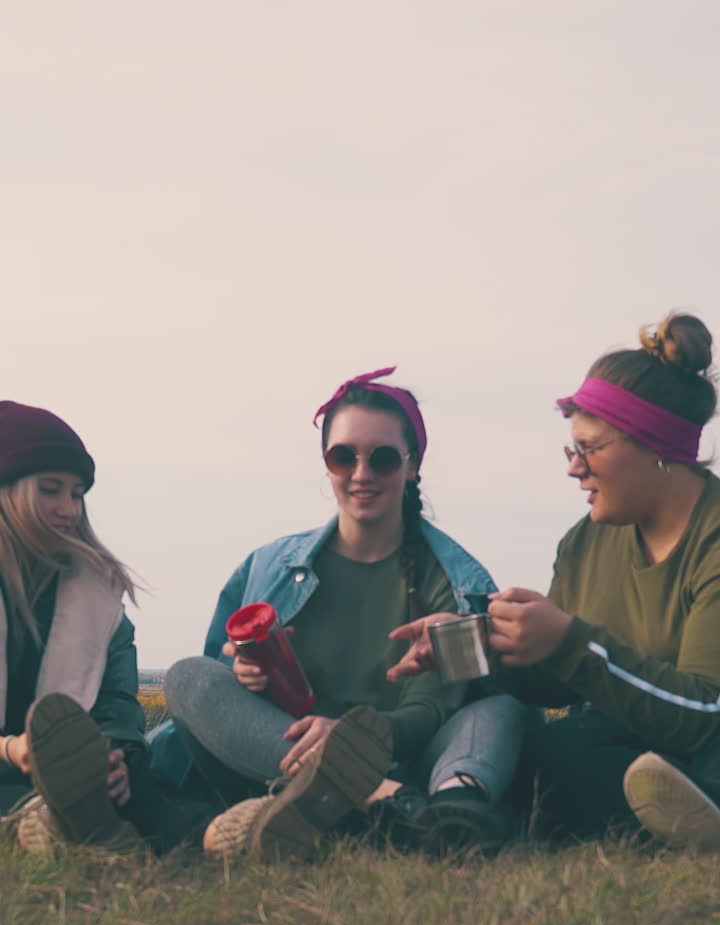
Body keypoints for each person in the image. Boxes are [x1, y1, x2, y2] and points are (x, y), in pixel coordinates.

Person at [153, 366, 527, 857]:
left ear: (413, 466)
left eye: (384, 459)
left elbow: (433, 710)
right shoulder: (269, 567)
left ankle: (434, 809)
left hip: (407, 763)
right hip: (286, 761)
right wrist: (244, 675)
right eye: (343, 456)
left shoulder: (457, 582)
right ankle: (390, 812)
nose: (362, 474)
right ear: (326, 463)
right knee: (188, 677)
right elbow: (224, 701)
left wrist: (350, 738)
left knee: (502, 708)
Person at [387, 314, 720, 848]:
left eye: (589, 448)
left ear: (654, 446)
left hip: (703, 742)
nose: (574, 469)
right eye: (573, 450)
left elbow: (703, 714)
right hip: (627, 748)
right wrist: (487, 645)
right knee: (539, 742)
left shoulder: (713, 539)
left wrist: (568, 640)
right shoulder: (583, 543)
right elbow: (560, 680)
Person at [0, 400, 203, 854]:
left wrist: (115, 758)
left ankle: (230, 835)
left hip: (72, 774)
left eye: (77, 494)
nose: (68, 509)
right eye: (50, 490)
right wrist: (14, 750)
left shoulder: (97, 598)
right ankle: (43, 826)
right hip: (11, 766)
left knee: (156, 807)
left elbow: (117, 704)